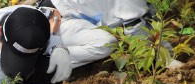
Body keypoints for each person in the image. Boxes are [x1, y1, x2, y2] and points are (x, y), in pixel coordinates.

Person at [38, 0, 183, 69]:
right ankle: (47, 61)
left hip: (73, 13)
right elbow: (136, 27)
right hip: (56, 19)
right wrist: (163, 61)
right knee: (104, 43)